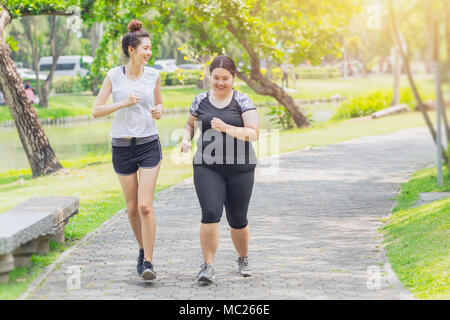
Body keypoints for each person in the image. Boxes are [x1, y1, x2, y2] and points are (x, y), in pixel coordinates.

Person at [92, 19, 163, 281]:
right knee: (132, 209)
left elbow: (159, 106)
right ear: (132, 49)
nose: (149, 52)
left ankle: (149, 262)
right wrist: (122, 103)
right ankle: (142, 249)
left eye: (151, 48)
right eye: (146, 48)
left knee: (145, 206)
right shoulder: (114, 76)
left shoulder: (154, 75)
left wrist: (158, 111)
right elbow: (96, 111)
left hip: (148, 144)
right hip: (121, 146)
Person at [181, 55, 260, 284]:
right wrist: (187, 139)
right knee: (210, 213)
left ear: (234, 78)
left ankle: (243, 259)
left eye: (225, 78)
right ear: (210, 77)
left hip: (240, 168)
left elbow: (253, 133)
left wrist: (225, 127)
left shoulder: (243, 101)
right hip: (207, 166)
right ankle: (207, 266)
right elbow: (190, 124)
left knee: (238, 219)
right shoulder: (200, 100)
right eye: (216, 78)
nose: (220, 83)